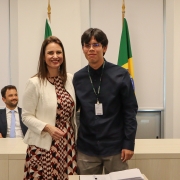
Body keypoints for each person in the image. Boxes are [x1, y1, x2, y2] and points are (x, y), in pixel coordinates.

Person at [73, 28, 138, 174]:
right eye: (87, 45)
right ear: (83, 49)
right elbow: (71, 110)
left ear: (105, 47)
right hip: (86, 148)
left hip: (115, 148)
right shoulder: (77, 78)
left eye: (96, 45)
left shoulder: (121, 75)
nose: (91, 49)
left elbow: (130, 111)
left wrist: (129, 143)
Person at [22, 36, 77, 179]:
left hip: (68, 143)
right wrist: (47, 127)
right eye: (50, 53)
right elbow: (26, 116)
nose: (55, 56)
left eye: (59, 52)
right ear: (43, 56)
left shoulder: (70, 79)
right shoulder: (34, 83)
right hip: (43, 145)